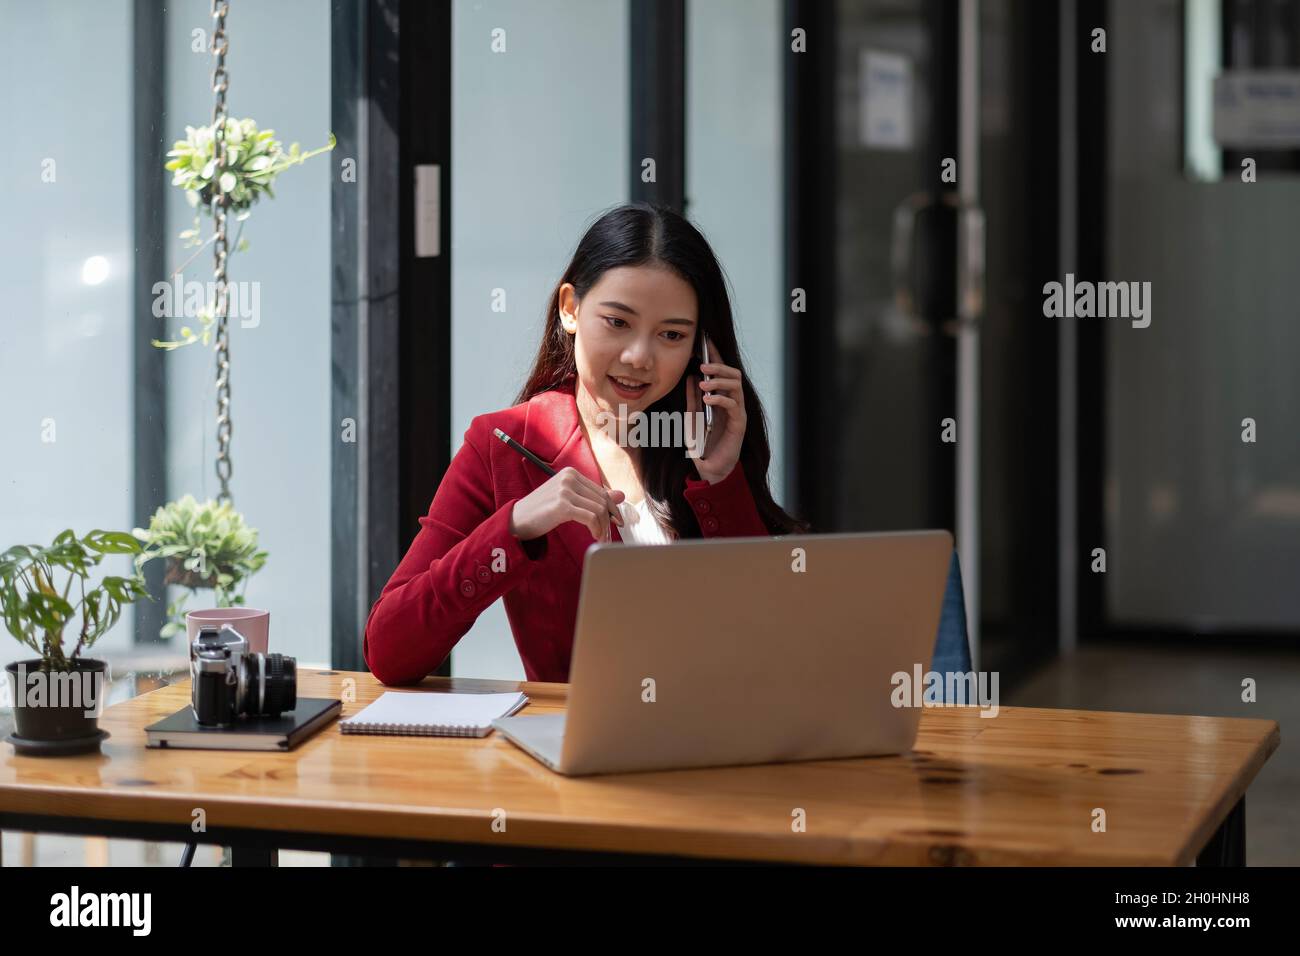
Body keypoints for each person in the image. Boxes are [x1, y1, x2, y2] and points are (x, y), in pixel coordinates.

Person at [363, 202, 807, 685]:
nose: (640, 357)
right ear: (570, 309)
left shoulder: (706, 445)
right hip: (577, 748)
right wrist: (513, 527)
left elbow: (778, 645)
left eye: (672, 335)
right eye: (618, 322)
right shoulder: (504, 446)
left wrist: (721, 480)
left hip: (717, 744)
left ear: (700, 349)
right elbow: (389, 648)